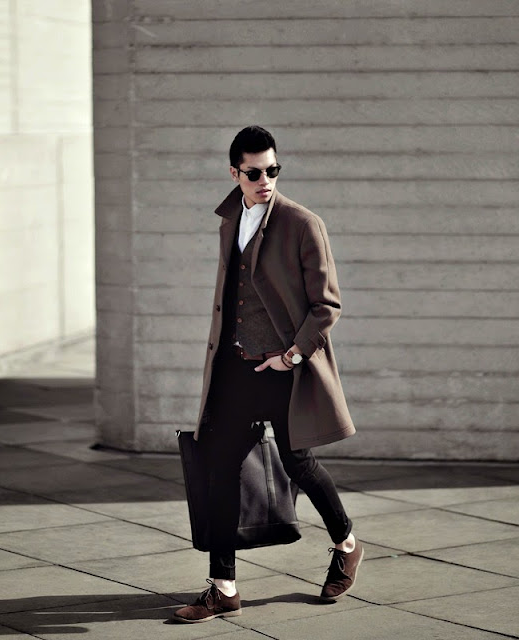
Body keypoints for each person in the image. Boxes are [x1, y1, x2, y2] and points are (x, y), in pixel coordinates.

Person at [173, 125, 362, 623]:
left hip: (284, 369)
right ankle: (223, 587)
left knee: (298, 464)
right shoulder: (230, 218)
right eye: (254, 173)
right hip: (235, 367)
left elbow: (327, 305)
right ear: (234, 173)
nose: (265, 181)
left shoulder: (303, 224)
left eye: (273, 170)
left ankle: (346, 544)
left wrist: (292, 356)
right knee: (220, 468)